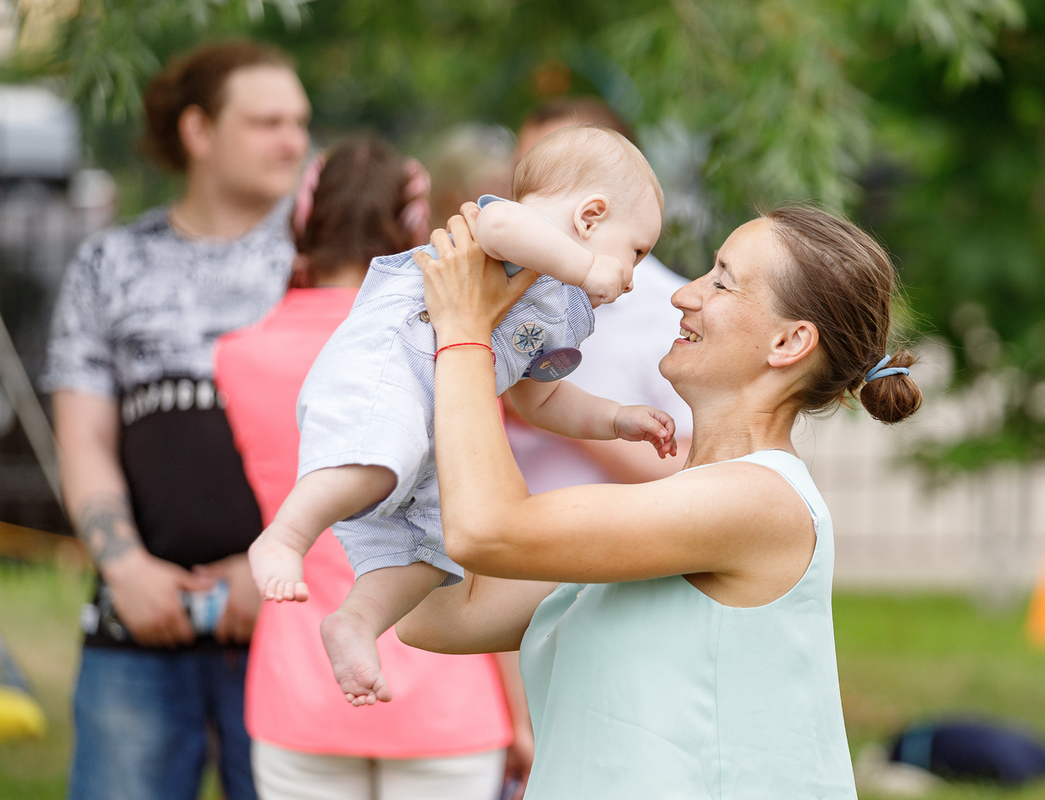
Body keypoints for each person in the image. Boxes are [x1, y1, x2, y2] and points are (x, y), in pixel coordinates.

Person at [396, 203, 922, 797]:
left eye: (721, 281)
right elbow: (437, 615)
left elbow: (488, 530)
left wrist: (465, 333)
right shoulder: (666, 514)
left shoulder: (759, 500)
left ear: (788, 341)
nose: (683, 295)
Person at [248, 123, 675, 706]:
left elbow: (538, 398)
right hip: (393, 364)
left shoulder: (566, 310)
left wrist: (614, 418)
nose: (631, 278)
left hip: (435, 424)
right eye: (636, 253)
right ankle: (285, 536)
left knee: (437, 547)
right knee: (381, 461)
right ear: (591, 216)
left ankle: (355, 620)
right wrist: (582, 267)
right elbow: (499, 226)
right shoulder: (514, 230)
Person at [214, 138, 530, 800]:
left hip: (298, 687)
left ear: (304, 220)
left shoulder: (240, 356)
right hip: (448, 688)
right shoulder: (449, 345)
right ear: (416, 229)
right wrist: (521, 708)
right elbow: (478, 524)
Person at [42, 40, 309, 800]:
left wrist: (277, 565)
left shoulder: (329, 264)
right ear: (198, 131)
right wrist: (125, 568)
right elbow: (84, 435)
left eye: (300, 121)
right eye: (267, 122)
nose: (293, 141)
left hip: (294, 625)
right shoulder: (109, 262)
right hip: (136, 630)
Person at [504, 98, 693, 489]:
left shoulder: (674, 309)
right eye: (527, 175)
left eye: (558, 180)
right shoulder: (501, 256)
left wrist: (612, 420)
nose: (533, 200)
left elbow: (687, 465)